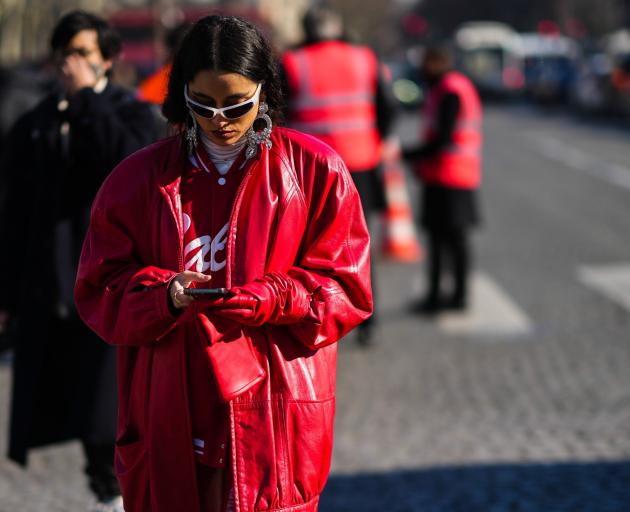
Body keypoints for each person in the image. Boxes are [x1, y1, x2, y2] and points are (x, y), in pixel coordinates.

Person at [73, 15, 372, 512]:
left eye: (237, 104)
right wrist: (163, 295)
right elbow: (98, 287)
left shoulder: (317, 171)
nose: (220, 120)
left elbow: (347, 288)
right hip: (170, 397)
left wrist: (275, 296)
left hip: (274, 402)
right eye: (202, 104)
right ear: (182, 93)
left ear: (264, 91)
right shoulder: (135, 181)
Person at [0, 10, 156, 512]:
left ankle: (119, 493)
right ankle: (104, 493)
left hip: (114, 286)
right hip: (52, 288)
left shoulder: (132, 114)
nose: (71, 64)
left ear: (108, 58)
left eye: (83, 54)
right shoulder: (36, 122)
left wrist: (89, 101)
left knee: (109, 407)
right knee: (68, 402)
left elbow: (123, 162)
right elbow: (14, 212)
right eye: (64, 54)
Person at [281, 5, 395, 346]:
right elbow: (388, 107)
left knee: (309, 245)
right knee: (360, 243)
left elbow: (280, 113)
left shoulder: (292, 62)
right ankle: (368, 319)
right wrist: (377, 139)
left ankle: (316, 317)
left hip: (310, 168)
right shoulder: (365, 58)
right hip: (361, 162)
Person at [403, 45, 482, 314]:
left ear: (437, 61)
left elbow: (442, 139)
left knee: (446, 241)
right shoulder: (448, 87)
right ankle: (452, 295)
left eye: (426, 63)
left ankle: (444, 297)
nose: (422, 70)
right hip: (451, 174)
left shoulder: (450, 90)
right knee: (450, 240)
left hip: (449, 175)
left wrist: (408, 154)